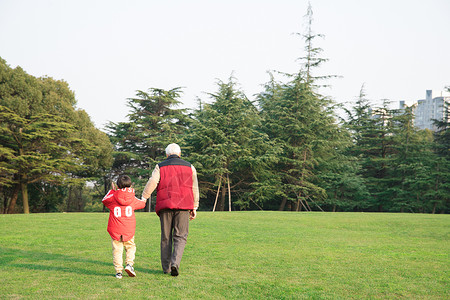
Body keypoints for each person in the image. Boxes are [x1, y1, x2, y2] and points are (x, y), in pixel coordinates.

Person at [141, 143, 199, 276]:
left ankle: (166, 268)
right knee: (180, 236)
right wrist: (194, 206)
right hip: (183, 205)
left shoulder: (160, 166)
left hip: (165, 205)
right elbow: (194, 187)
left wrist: (144, 197)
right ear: (180, 154)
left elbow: (152, 182)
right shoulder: (190, 167)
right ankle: (175, 263)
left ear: (167, 155)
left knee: (166, 237)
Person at [102, 175, 147, 279]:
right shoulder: (132, 198)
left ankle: (118, 272)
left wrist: (113, 191)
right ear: (130, 185)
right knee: (130, 247)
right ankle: (129, 265)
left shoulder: (112, 197)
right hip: (128, 229)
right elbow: (142, 204)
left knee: (117, 250)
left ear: (117, 185)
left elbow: (104, 200)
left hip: (115, 229)